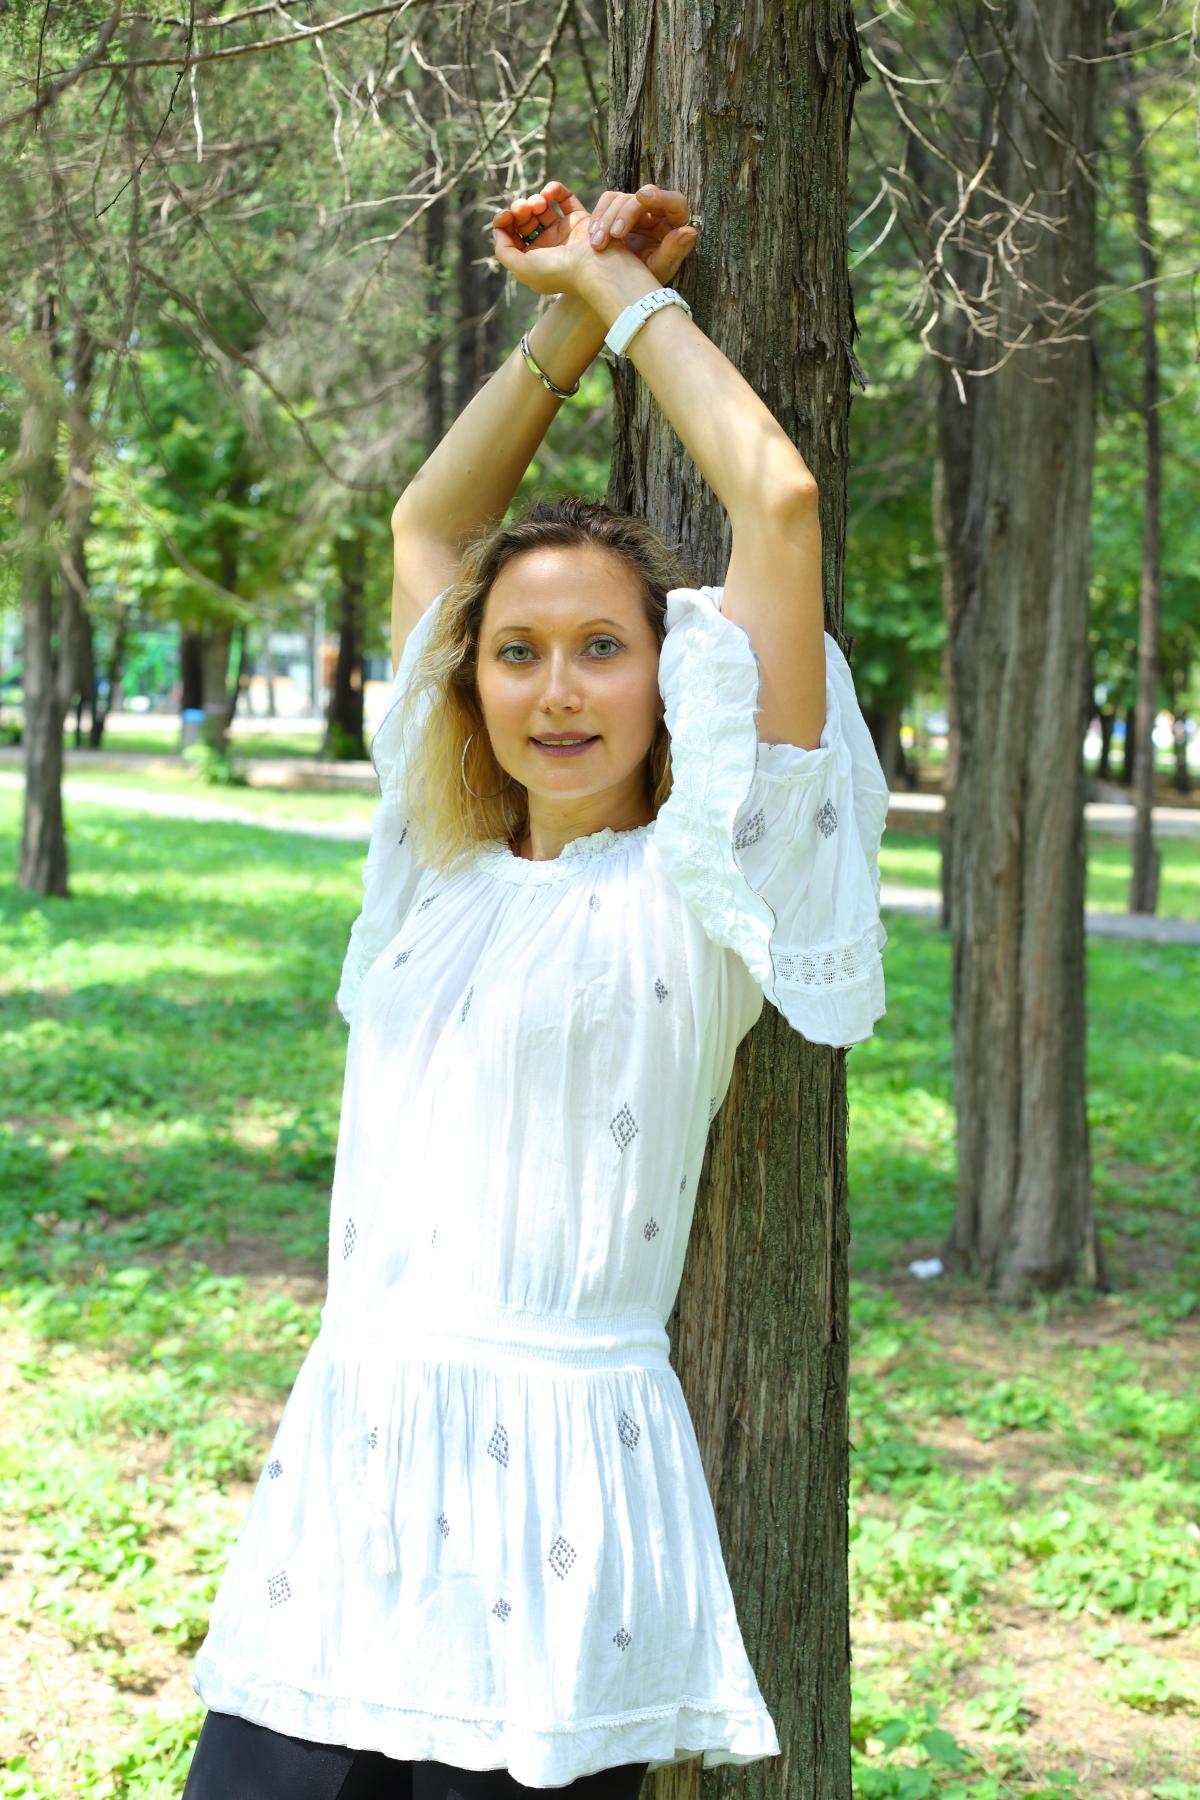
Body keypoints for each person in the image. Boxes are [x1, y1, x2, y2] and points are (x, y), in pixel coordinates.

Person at [182, 179, 890, 1800]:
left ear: (675, 675)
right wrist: (564, 317)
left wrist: (629, 296)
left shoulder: (704, 883)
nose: (556, 690)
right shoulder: (433, 868)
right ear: (471, 677)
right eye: (516, 650)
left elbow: (776, 502)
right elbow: (425, 532)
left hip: (557, 1516)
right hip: (348, 1493)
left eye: (600, 649)